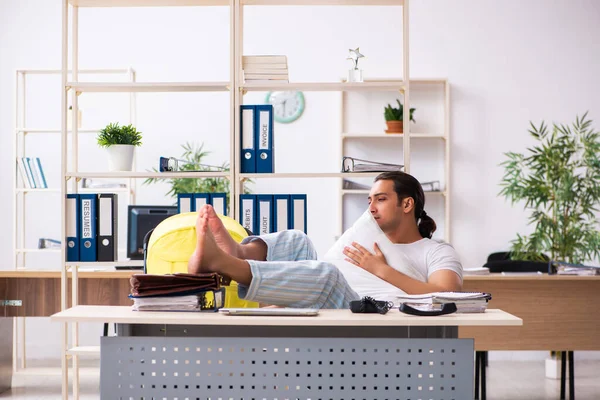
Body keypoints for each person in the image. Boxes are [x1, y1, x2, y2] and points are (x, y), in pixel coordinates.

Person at [188, 171, 462, 309]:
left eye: (381, 199)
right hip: (332, 305)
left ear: (407, 204)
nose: (371, 208)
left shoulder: (436, 251)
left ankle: (221, 262)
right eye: (370, 201)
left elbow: (447, 295)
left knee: (327, 275)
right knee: (299, 241)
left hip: (366, 314)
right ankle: (238, 252)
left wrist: (381, 270)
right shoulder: (365, 238)